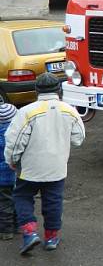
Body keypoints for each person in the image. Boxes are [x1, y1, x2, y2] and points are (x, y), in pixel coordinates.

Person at [4, 73, 85, 254]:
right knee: (53, 201)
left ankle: (30, 232)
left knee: (22, 196)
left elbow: (15, 141)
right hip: (57, 167)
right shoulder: (69, 110)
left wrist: (12, 160)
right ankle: (51, 237)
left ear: (36, 90)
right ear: (58, 90)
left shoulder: (27, 111)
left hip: (31, 168)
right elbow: (79, 138)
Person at [0, 103, 17, 241]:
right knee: (17, 200)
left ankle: (6, 231)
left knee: (4, 203)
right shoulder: (15, 134)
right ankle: (18, 226)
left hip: (2, 178)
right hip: (16, 175)